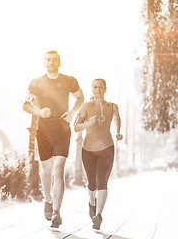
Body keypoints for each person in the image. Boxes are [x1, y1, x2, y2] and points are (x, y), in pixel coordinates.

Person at [22, 50, 84, 228]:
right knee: (46, 171)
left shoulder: (69, 81)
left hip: (63, 129)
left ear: (59, 62)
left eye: (55, 60)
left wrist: (72, 112)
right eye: (48, 59)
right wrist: (39, 112)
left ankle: (57, 212)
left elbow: (80, 97)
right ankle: (47, 200)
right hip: (44, 130)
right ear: (44, 62)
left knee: (58, 171)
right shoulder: (36, 83)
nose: (51, 62)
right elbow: (25, 105)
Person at [73, 78, 123, 230]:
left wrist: (118, 132)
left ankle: (99, 216)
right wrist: (87, 124)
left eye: (101, 87)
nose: (98, 90)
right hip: (88, 149)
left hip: (107, 148)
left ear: (105, 89)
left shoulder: (112, 106)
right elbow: (76, 127)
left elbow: (117, 118)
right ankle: (92, 203)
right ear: (92, 89)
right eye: (95, 87)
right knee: (92, 183)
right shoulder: (86, 106)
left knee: (102, 181)